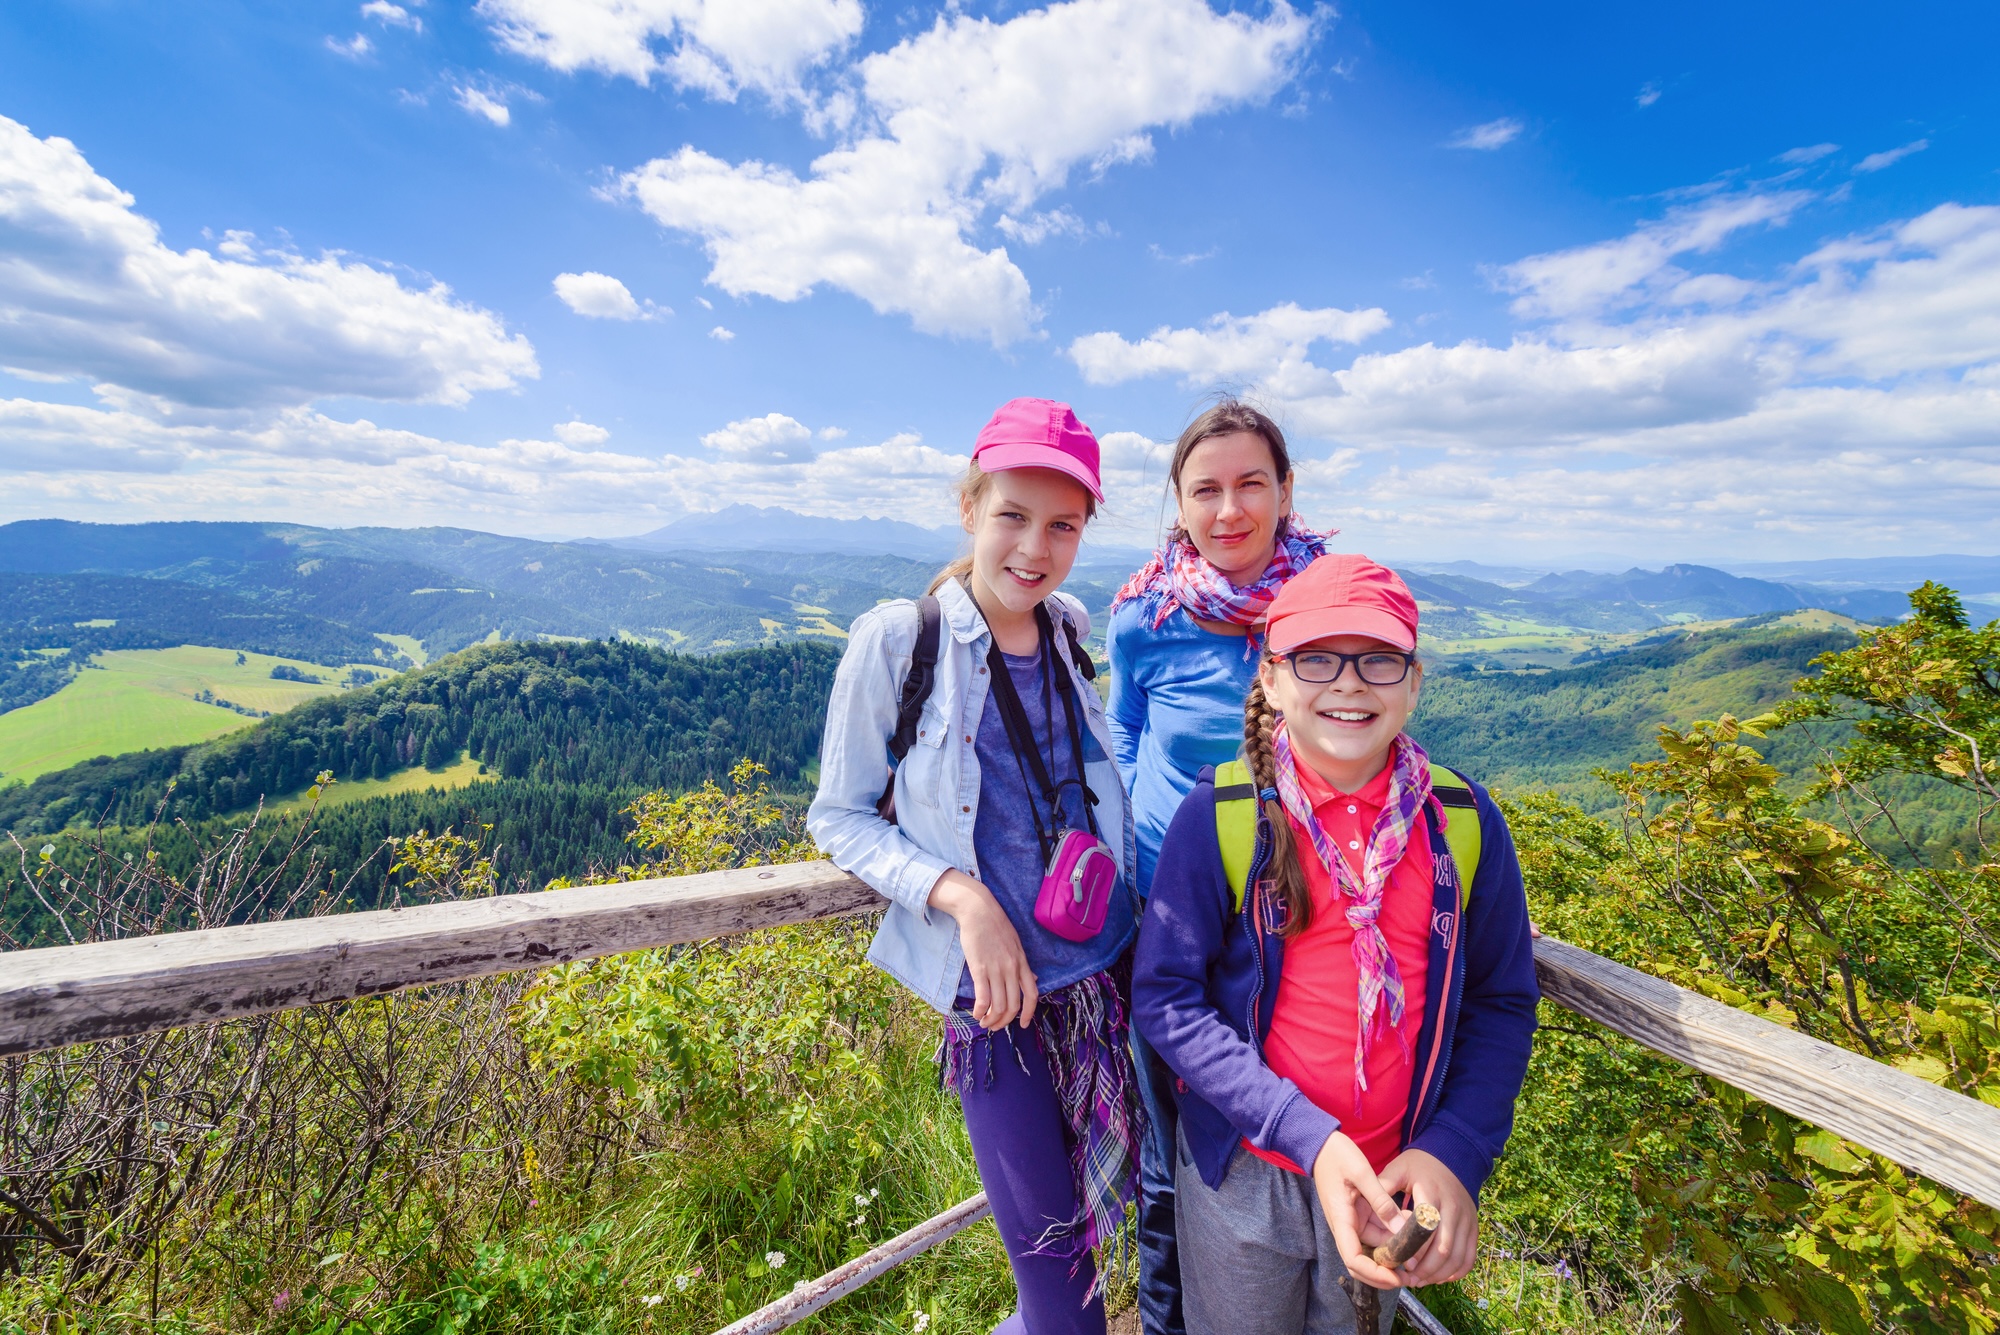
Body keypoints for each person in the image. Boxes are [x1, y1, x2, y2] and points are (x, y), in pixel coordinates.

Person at [1131, 554, 1539, 1335]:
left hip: (1394, 1172)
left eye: (1379, 660)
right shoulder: (1224, 814)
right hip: (1248, 1166)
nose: (1350, 683)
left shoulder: (1463, 825)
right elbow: (1165, 996)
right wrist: (1304, 1134)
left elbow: (1500, 1000)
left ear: (1413, 682)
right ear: (1273, 678)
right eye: (1317, 658)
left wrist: (1453, 1150)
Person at [808, 398, 1144, 1335]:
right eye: (1013, 515)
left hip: (1110, 978)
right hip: (1000, 1007)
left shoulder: (1070, 629)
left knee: (1152, 1241)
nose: (1035, 547)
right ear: (969, 506)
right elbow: (835, 814)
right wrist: (958, 895)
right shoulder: (901, 638)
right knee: (1064, 1292)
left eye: (1063, 524)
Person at [1105, 399, 1329, 1333]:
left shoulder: (1326, 608)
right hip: (1166, 915)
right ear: (1179, 501)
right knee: (1169, 1152)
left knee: (1269, 1125)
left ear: (1285, 491)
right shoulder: (1143, 615)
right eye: (1207, 488)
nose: (1229, 508)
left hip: (1292, 915)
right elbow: (1121, 730)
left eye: (1251, 484)